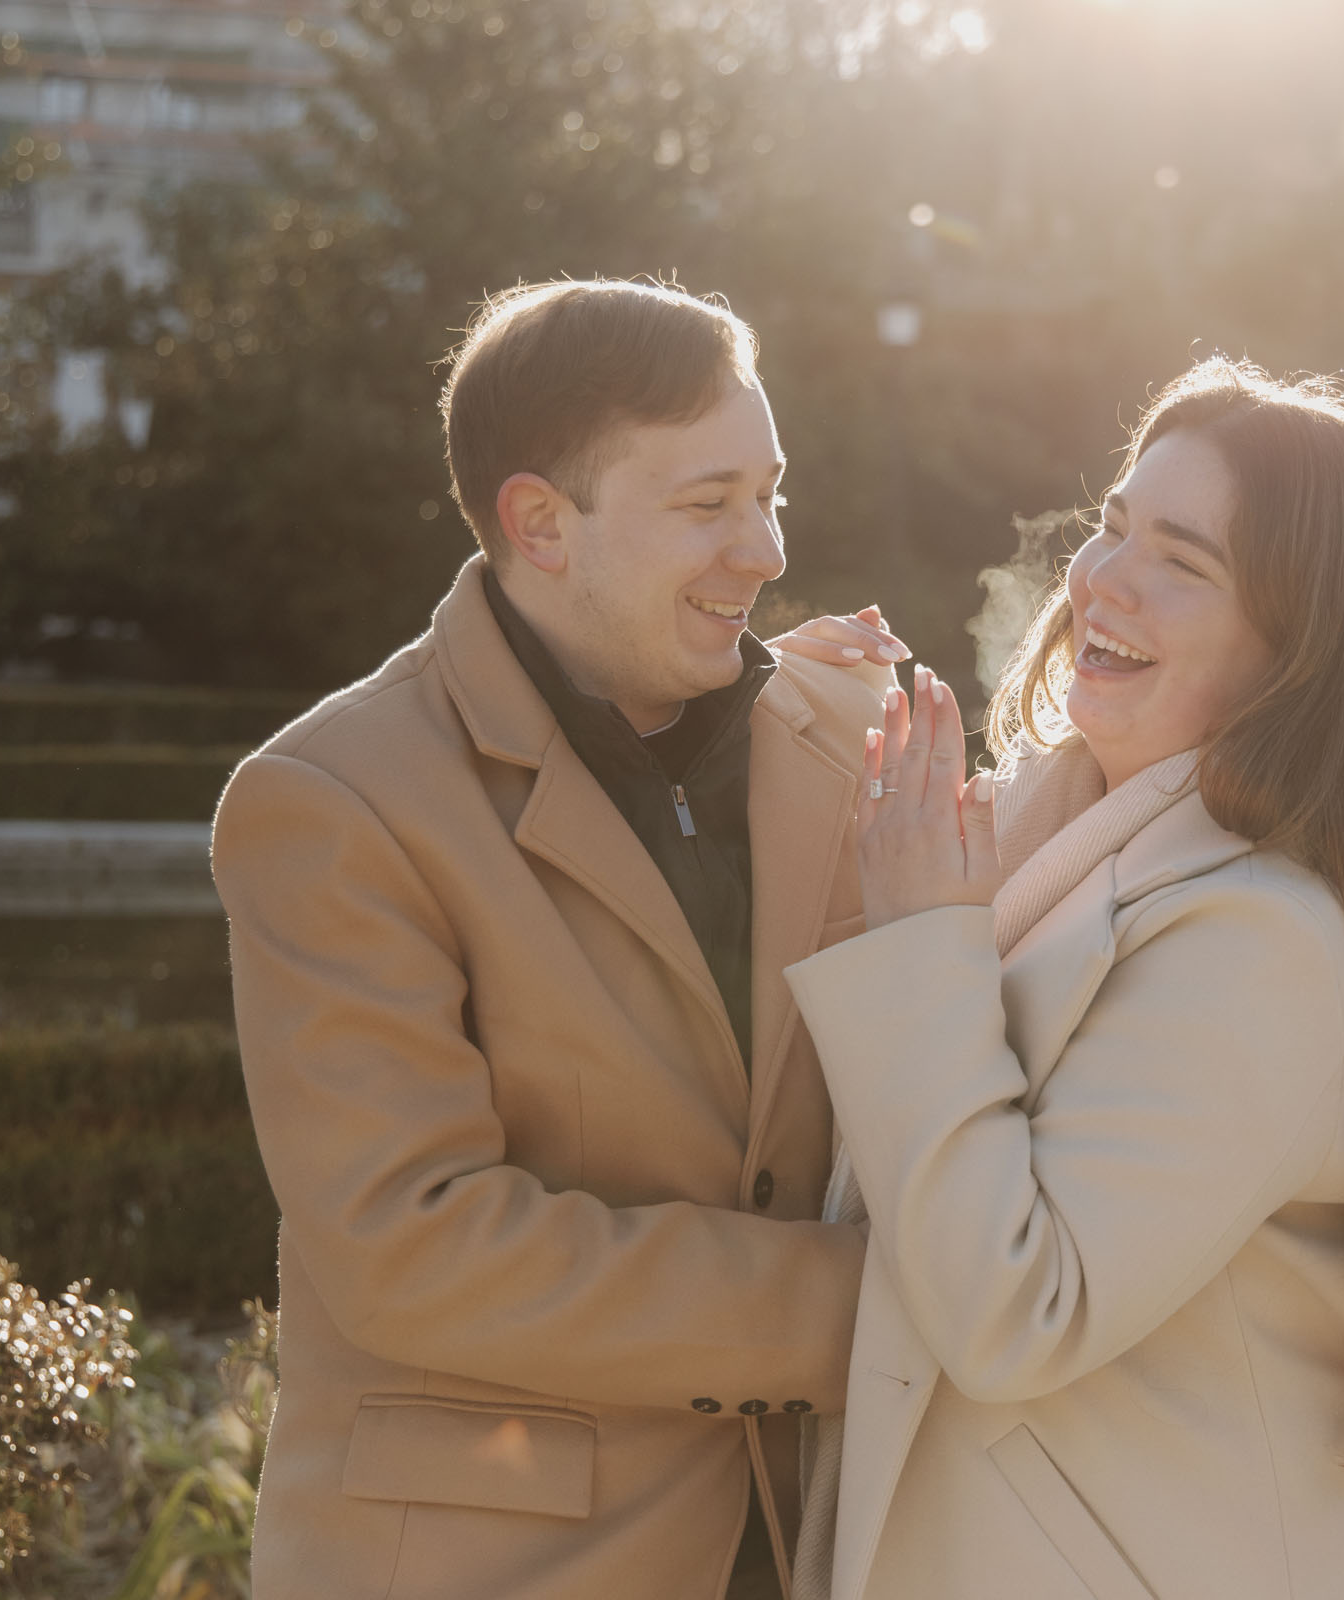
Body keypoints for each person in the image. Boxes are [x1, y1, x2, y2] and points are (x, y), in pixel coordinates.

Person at [779, 358, 1344, 1600]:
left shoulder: (1267, 942)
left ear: (1302, 651)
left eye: (1183, 562)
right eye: (1113, 526)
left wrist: (920, 944)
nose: (1101, 581)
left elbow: (1014, 1311)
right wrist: (785, 742)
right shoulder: (1043, 845)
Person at [211, 278, 907, 1600]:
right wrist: (886, 1309)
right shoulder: (330, 801)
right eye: (707, 507)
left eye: (770, 494)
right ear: (541, 523)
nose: (762, 551)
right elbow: (416, 1249)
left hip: (829, 1551)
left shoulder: (846, 734)